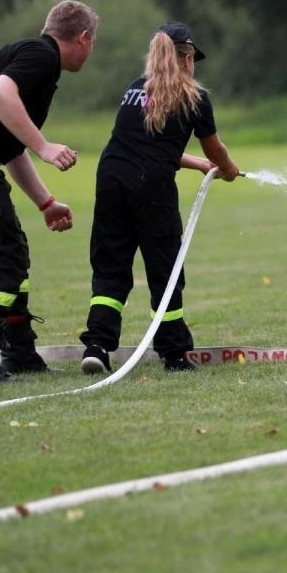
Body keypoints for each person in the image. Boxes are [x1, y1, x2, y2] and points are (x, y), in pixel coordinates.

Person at [80, 21, 240, 375]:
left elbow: (143, 144)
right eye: (192, 57)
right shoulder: (194, 96)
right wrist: (226, 168)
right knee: (165, 270)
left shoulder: (135, 89)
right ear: (185, 58)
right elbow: (214, 146)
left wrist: (194, 163)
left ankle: (97, 345)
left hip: (111, 178)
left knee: (110, 267)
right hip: (151, 189)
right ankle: (173, 353)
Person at [0, 0, 99, 381]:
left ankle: (19, 352)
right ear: (83, 38)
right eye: (93, 44)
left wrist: (46, 202)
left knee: (12, 254)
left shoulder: (36, 61)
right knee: (5, 257)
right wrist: (45, 146)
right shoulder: (41, 54)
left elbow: (7, 149)